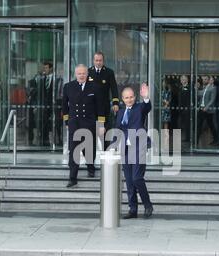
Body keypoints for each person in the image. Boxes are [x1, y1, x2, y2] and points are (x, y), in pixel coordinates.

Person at [114, 84, 153, 219]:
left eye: (131, 97)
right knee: (130, 181)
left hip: (138, 148)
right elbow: (118, 130)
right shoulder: (120, 112)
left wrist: (146, 98)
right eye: (126, 98)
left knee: (137, 178)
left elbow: (147, 107)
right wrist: (113, 146)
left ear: (135, 97)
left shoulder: (139, 108)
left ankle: (148, 205)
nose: (129, 100)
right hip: (125, 150)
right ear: (122, 99)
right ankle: (133, 209)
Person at [62, 64, 105, 188]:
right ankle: (73, 177)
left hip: (89, 123)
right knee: (73, 150)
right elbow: (65, 106)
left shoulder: (95, 87)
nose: (81, 75)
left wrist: (101, 124)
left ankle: (91, 167)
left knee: (89, 149)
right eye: (79, 73)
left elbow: (100, 107)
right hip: (74, 123)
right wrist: (66, 122)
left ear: (87, 74)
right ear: (75, 74)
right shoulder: (68, 87)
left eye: (83, 73)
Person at [88, 52, 119, 150]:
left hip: (104, 106)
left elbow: (114, 88)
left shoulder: (109, 72)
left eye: (100, 60)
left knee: (105, 131)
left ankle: (106, 152)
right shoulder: (88, 72)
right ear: (93, 61)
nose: (98, 62)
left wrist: (115, 103)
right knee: (91, 131)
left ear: (103, 61)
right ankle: (90, 155)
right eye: (96, 60)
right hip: (91, 107)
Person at [197, 75, 219, 146]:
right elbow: (199, 94)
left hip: (208, 110)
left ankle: (216, 139)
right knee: (200, 124)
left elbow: (212, 99)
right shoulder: (205, 87)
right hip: (202, 108)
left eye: (206, 79)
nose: (204, 80)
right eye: (204, 79)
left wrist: (206, 107)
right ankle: (196, 139)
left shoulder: (213, 88)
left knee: (210, 125)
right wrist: (196, 88)